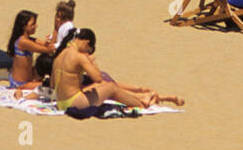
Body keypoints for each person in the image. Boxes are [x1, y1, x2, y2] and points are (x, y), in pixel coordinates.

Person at [51, 28, 183, 112]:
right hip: (74, 103)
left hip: (60, 102)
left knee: (102, 86)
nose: (87, 52)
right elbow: (97, 77)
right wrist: (92, 62)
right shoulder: (79, 56)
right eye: (88, 49)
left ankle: (144, 96)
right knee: (111, 88)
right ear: (86, 42)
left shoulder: (60, 55)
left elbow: (52, 84)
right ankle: (142, 104)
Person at [6, 10, 56, 92]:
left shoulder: (28, 39)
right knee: (52, 85)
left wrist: (48, 42)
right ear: (24, 26)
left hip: (26, 80)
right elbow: (48, 49)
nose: (36, 26)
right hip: (20, 84)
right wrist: (56, 28)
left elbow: (46, 45)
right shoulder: (23, 42)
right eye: (33, 24)